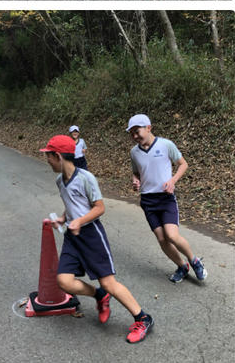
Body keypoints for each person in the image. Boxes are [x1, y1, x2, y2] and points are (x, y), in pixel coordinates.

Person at [40, 134, 154, 344]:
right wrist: (64, 218)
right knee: (64, 281)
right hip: (72, 237)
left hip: (91, 235)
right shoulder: (59, 181)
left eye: (48, 155)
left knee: (109, 283)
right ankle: (99, 295)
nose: (47, 160)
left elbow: (99, 208)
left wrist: (79, 221)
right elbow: (72, 203)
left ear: (58, 156)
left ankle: (143, 318)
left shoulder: (86, 178)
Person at [126, 114, 207, 283]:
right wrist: (135, 180)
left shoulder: (165, 145)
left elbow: (183, 164)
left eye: (137, 131)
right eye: (131, 133)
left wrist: (172, 181)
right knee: (162, 239)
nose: (134, 136)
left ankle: (194, 261)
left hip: (165, 198)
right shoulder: (134, 152)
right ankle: (182, 266)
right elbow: (136, 172)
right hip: (147, 200)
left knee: (172, 236)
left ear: (149, 128)